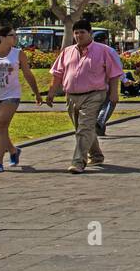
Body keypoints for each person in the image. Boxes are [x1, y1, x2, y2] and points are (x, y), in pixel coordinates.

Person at [46, 19, 123, 174]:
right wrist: (51, 92)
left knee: (85, 127)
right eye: (76, 32)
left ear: (90, 34)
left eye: (82, 32)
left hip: (94, 94)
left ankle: (78, 162)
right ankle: (96, 154)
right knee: (81, 128)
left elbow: (114, 73)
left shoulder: (103, 51)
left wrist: (114, 93)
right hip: (72, 96)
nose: (79, 35)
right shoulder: (67, 52)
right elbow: (57, 73)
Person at [0, 26, 43, 173]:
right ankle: (13, 150)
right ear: (2, 37)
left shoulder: (18, 54)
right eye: (12, 35)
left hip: (11, 95)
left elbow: (27, 74)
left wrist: (37, 93)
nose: (15, 38)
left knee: (2, 126)